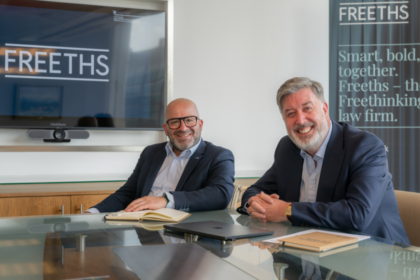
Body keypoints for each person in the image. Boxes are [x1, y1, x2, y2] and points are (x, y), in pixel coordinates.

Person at [239, 77, 410, 244]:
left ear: (325, 109)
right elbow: (255, 190)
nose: (300, 120)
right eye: (291, 114)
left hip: (376, 255)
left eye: (307, 108)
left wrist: (286, 210)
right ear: (284, 120)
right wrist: (255, 204)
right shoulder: (287, 148)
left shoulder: (365, 146)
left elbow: (358, 215)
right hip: (308, 252)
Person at [87, 98, 234, 213]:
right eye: (175, 122)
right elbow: (128, 193)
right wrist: (92, 212)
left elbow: (220, 194)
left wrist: (166, 200)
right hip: (142, 230)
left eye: (189, 120)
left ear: (200, 124)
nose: (183, 128)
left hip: (187, 235)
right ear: (165, 128)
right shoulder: (151, 153)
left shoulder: (219, 155)